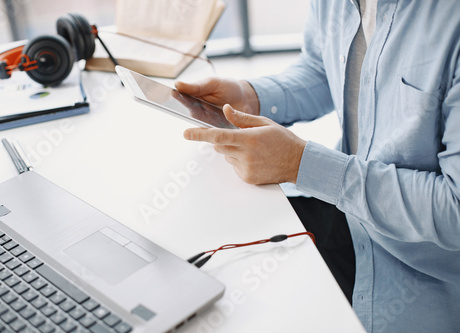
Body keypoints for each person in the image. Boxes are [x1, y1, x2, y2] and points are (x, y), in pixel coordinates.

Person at [175, 1, 460, 332]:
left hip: (416, 273)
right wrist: (251, 96)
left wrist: (301, 163)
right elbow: (322, 68)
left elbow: (455, 210)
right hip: (346, 215)